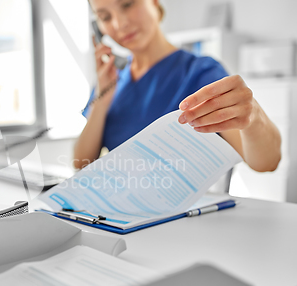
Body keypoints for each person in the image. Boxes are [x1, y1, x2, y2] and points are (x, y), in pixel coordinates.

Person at [74, 0, 281, 173]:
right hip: (120, 211)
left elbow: (266, 163)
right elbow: (81, 163)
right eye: (105, 17)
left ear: (154, 3)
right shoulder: (109, 81)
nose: (119, 24)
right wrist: (101, 99)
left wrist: (253, 117)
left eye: (127, 4)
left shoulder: (200, 72)